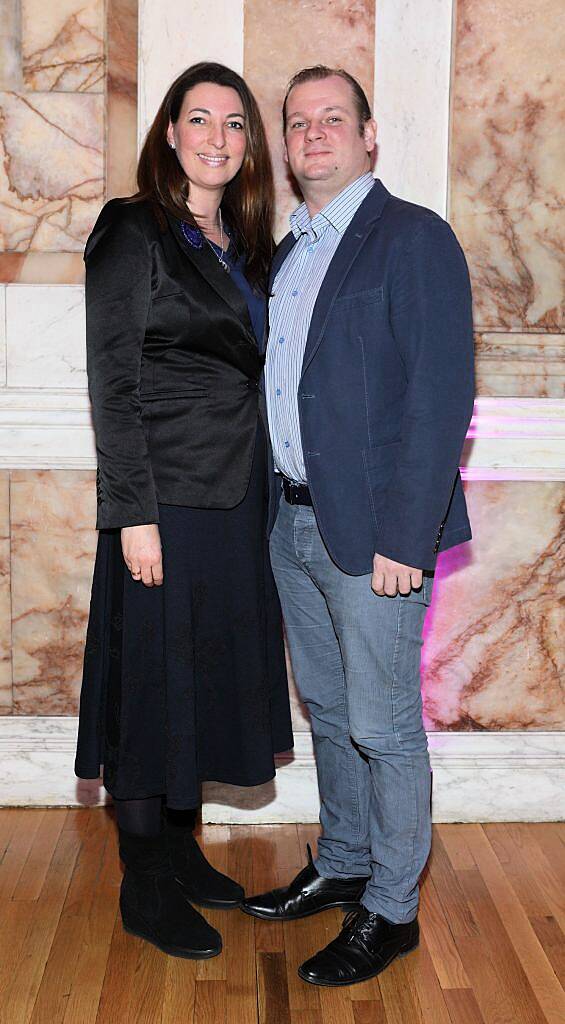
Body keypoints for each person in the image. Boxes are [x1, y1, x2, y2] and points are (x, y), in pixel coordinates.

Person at [242, 66, 475, 987]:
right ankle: (343, 862)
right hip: (291, 524)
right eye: (297, 123)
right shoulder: (290, 248)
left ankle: (393, 908)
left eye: (331, 119)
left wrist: (405, 538)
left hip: (374, 539)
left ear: (369, 136)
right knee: (332, 714)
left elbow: (438, 396)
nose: (312, 135)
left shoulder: (412, 239)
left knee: (384, 724)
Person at [74, 62, 293, 961]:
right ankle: (144, 885)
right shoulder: (135, 230)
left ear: (248, 146)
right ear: (168, 133)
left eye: (234, 123)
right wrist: (133, 514)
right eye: (197, 119)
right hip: (161, 503)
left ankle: (180, 850)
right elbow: (113, 381)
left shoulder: (244, 244)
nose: (216, 136)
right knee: (148, 683)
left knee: (196, 677)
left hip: (237, 500)